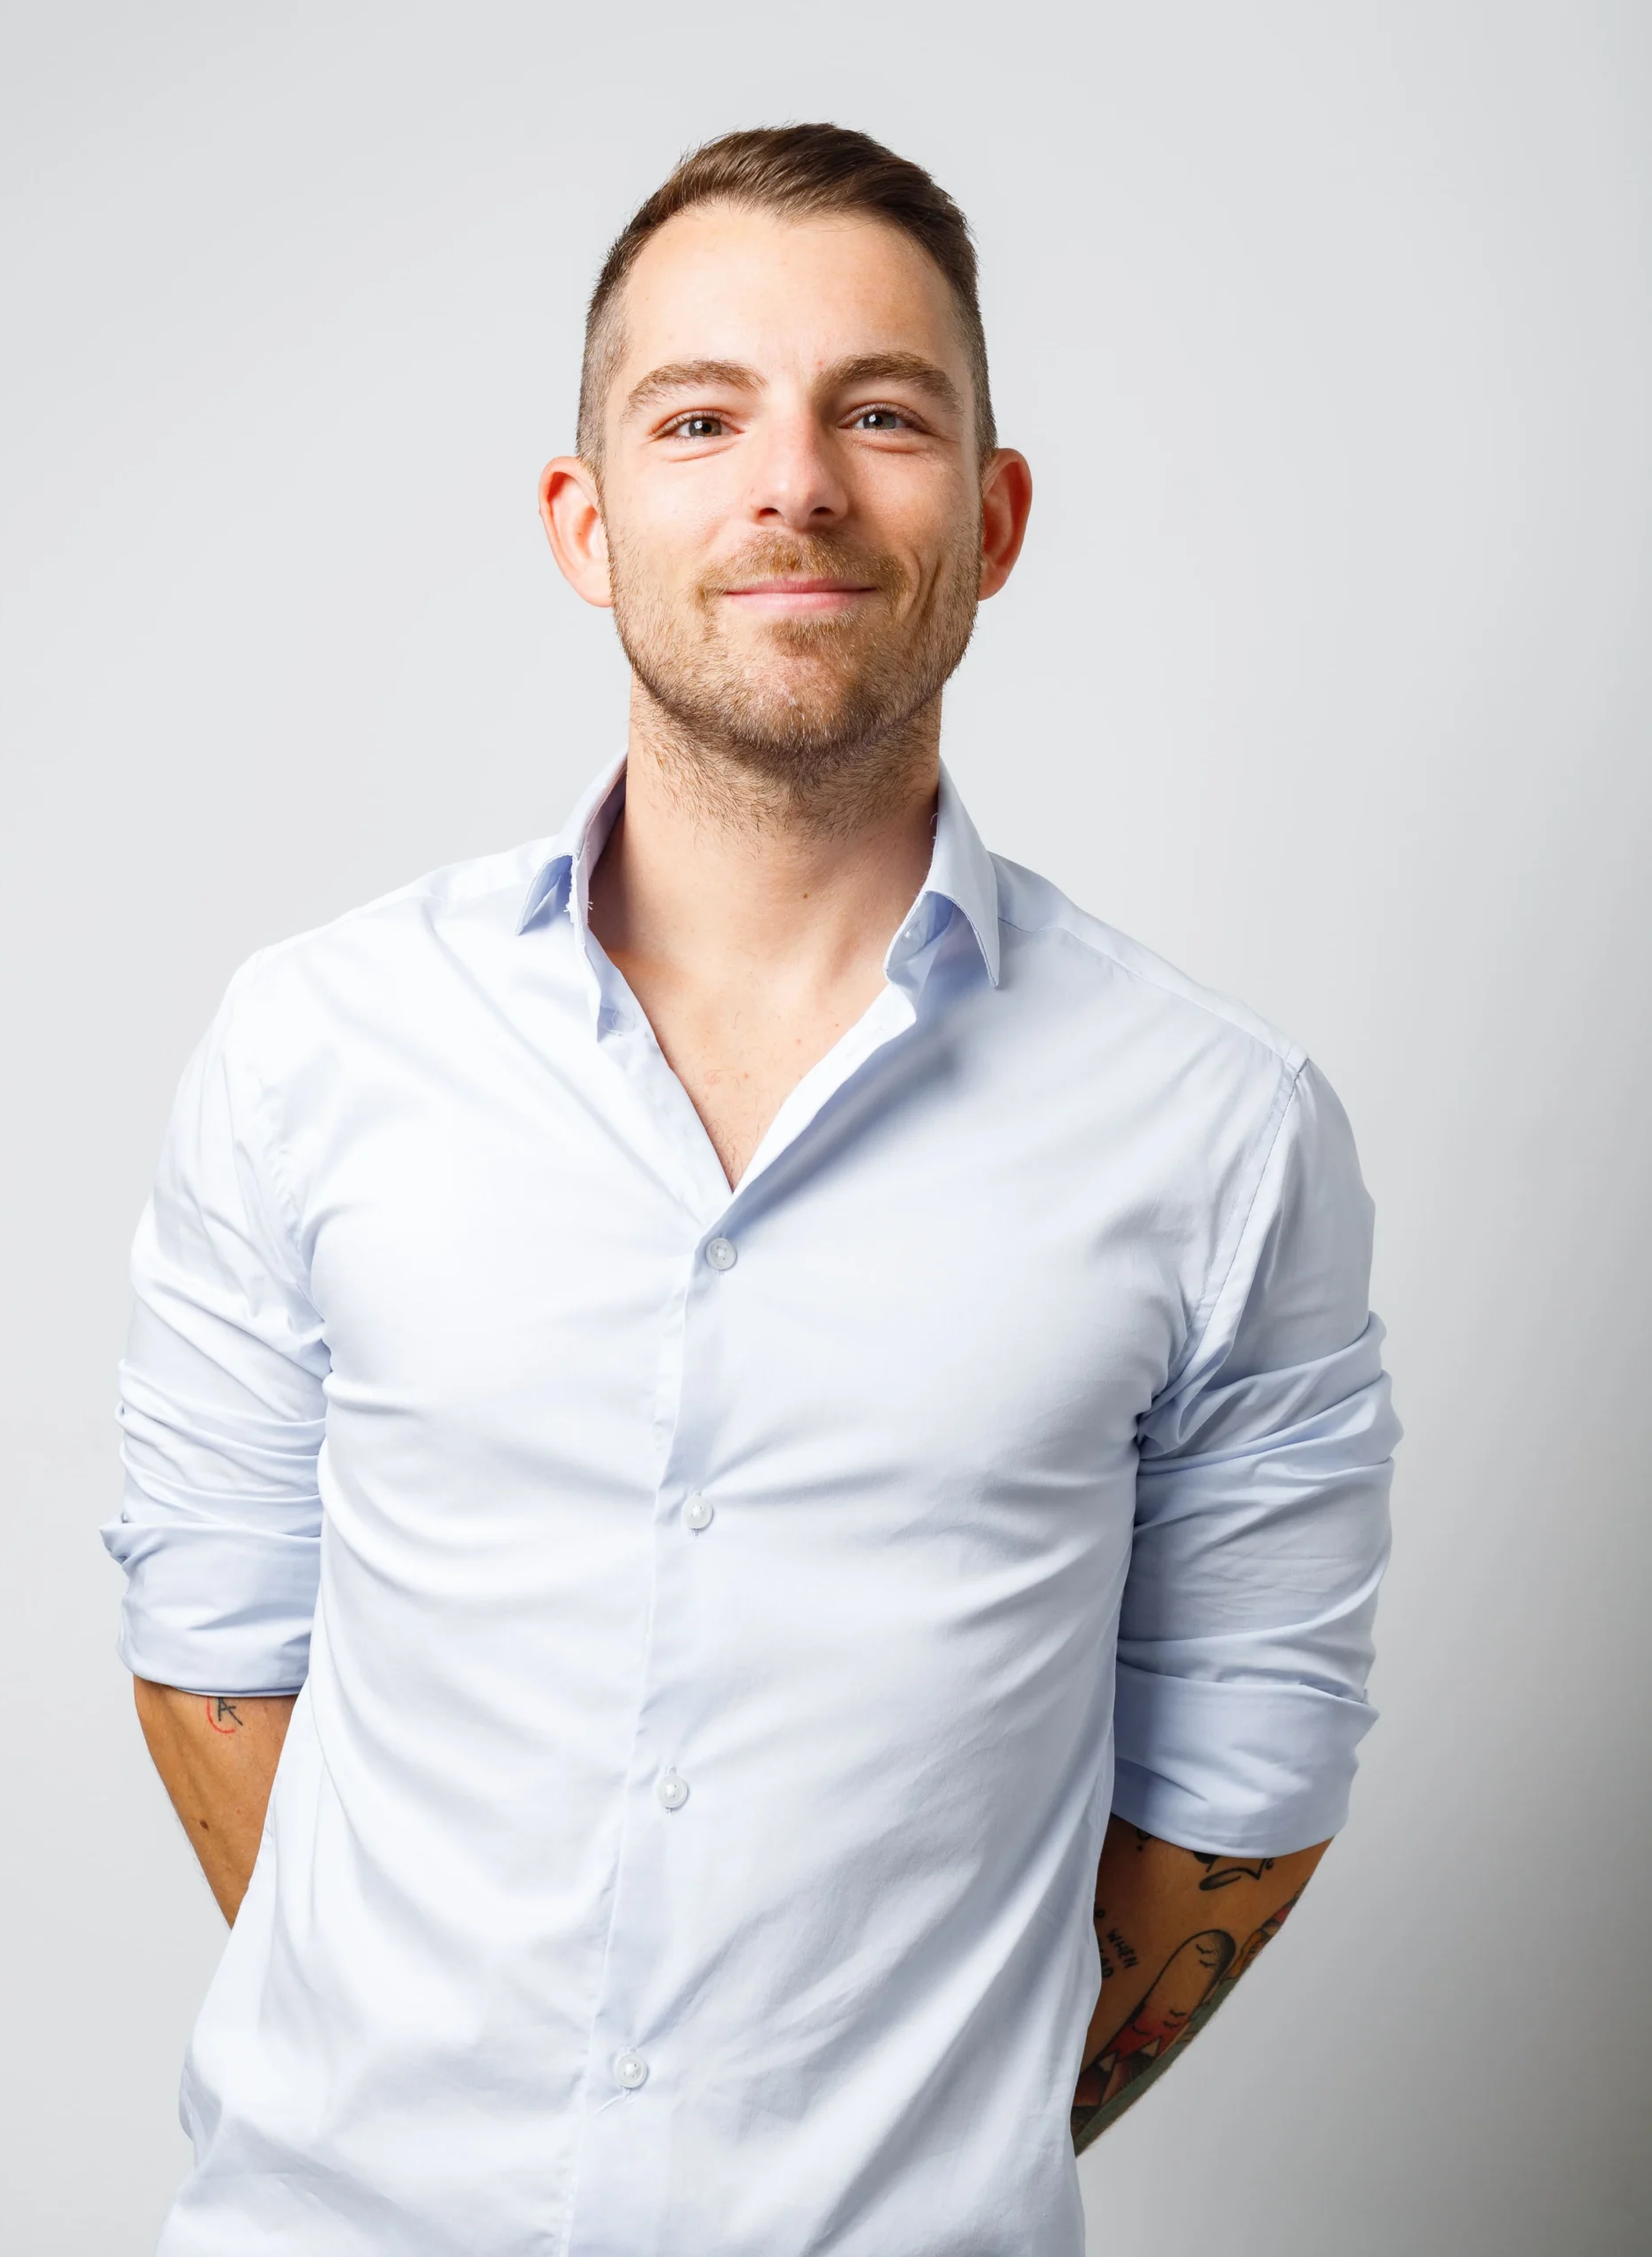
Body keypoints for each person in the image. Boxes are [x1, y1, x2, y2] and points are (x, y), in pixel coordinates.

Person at [107, 123, 1397, 2257]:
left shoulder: (1218, 1128)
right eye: (699, 418)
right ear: (585, 520)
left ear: (992, 519)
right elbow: (211, 1642)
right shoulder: (313, 1045)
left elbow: (1243, 1772)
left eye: (878, 414)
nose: (790, 483)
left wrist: (915, 2147)